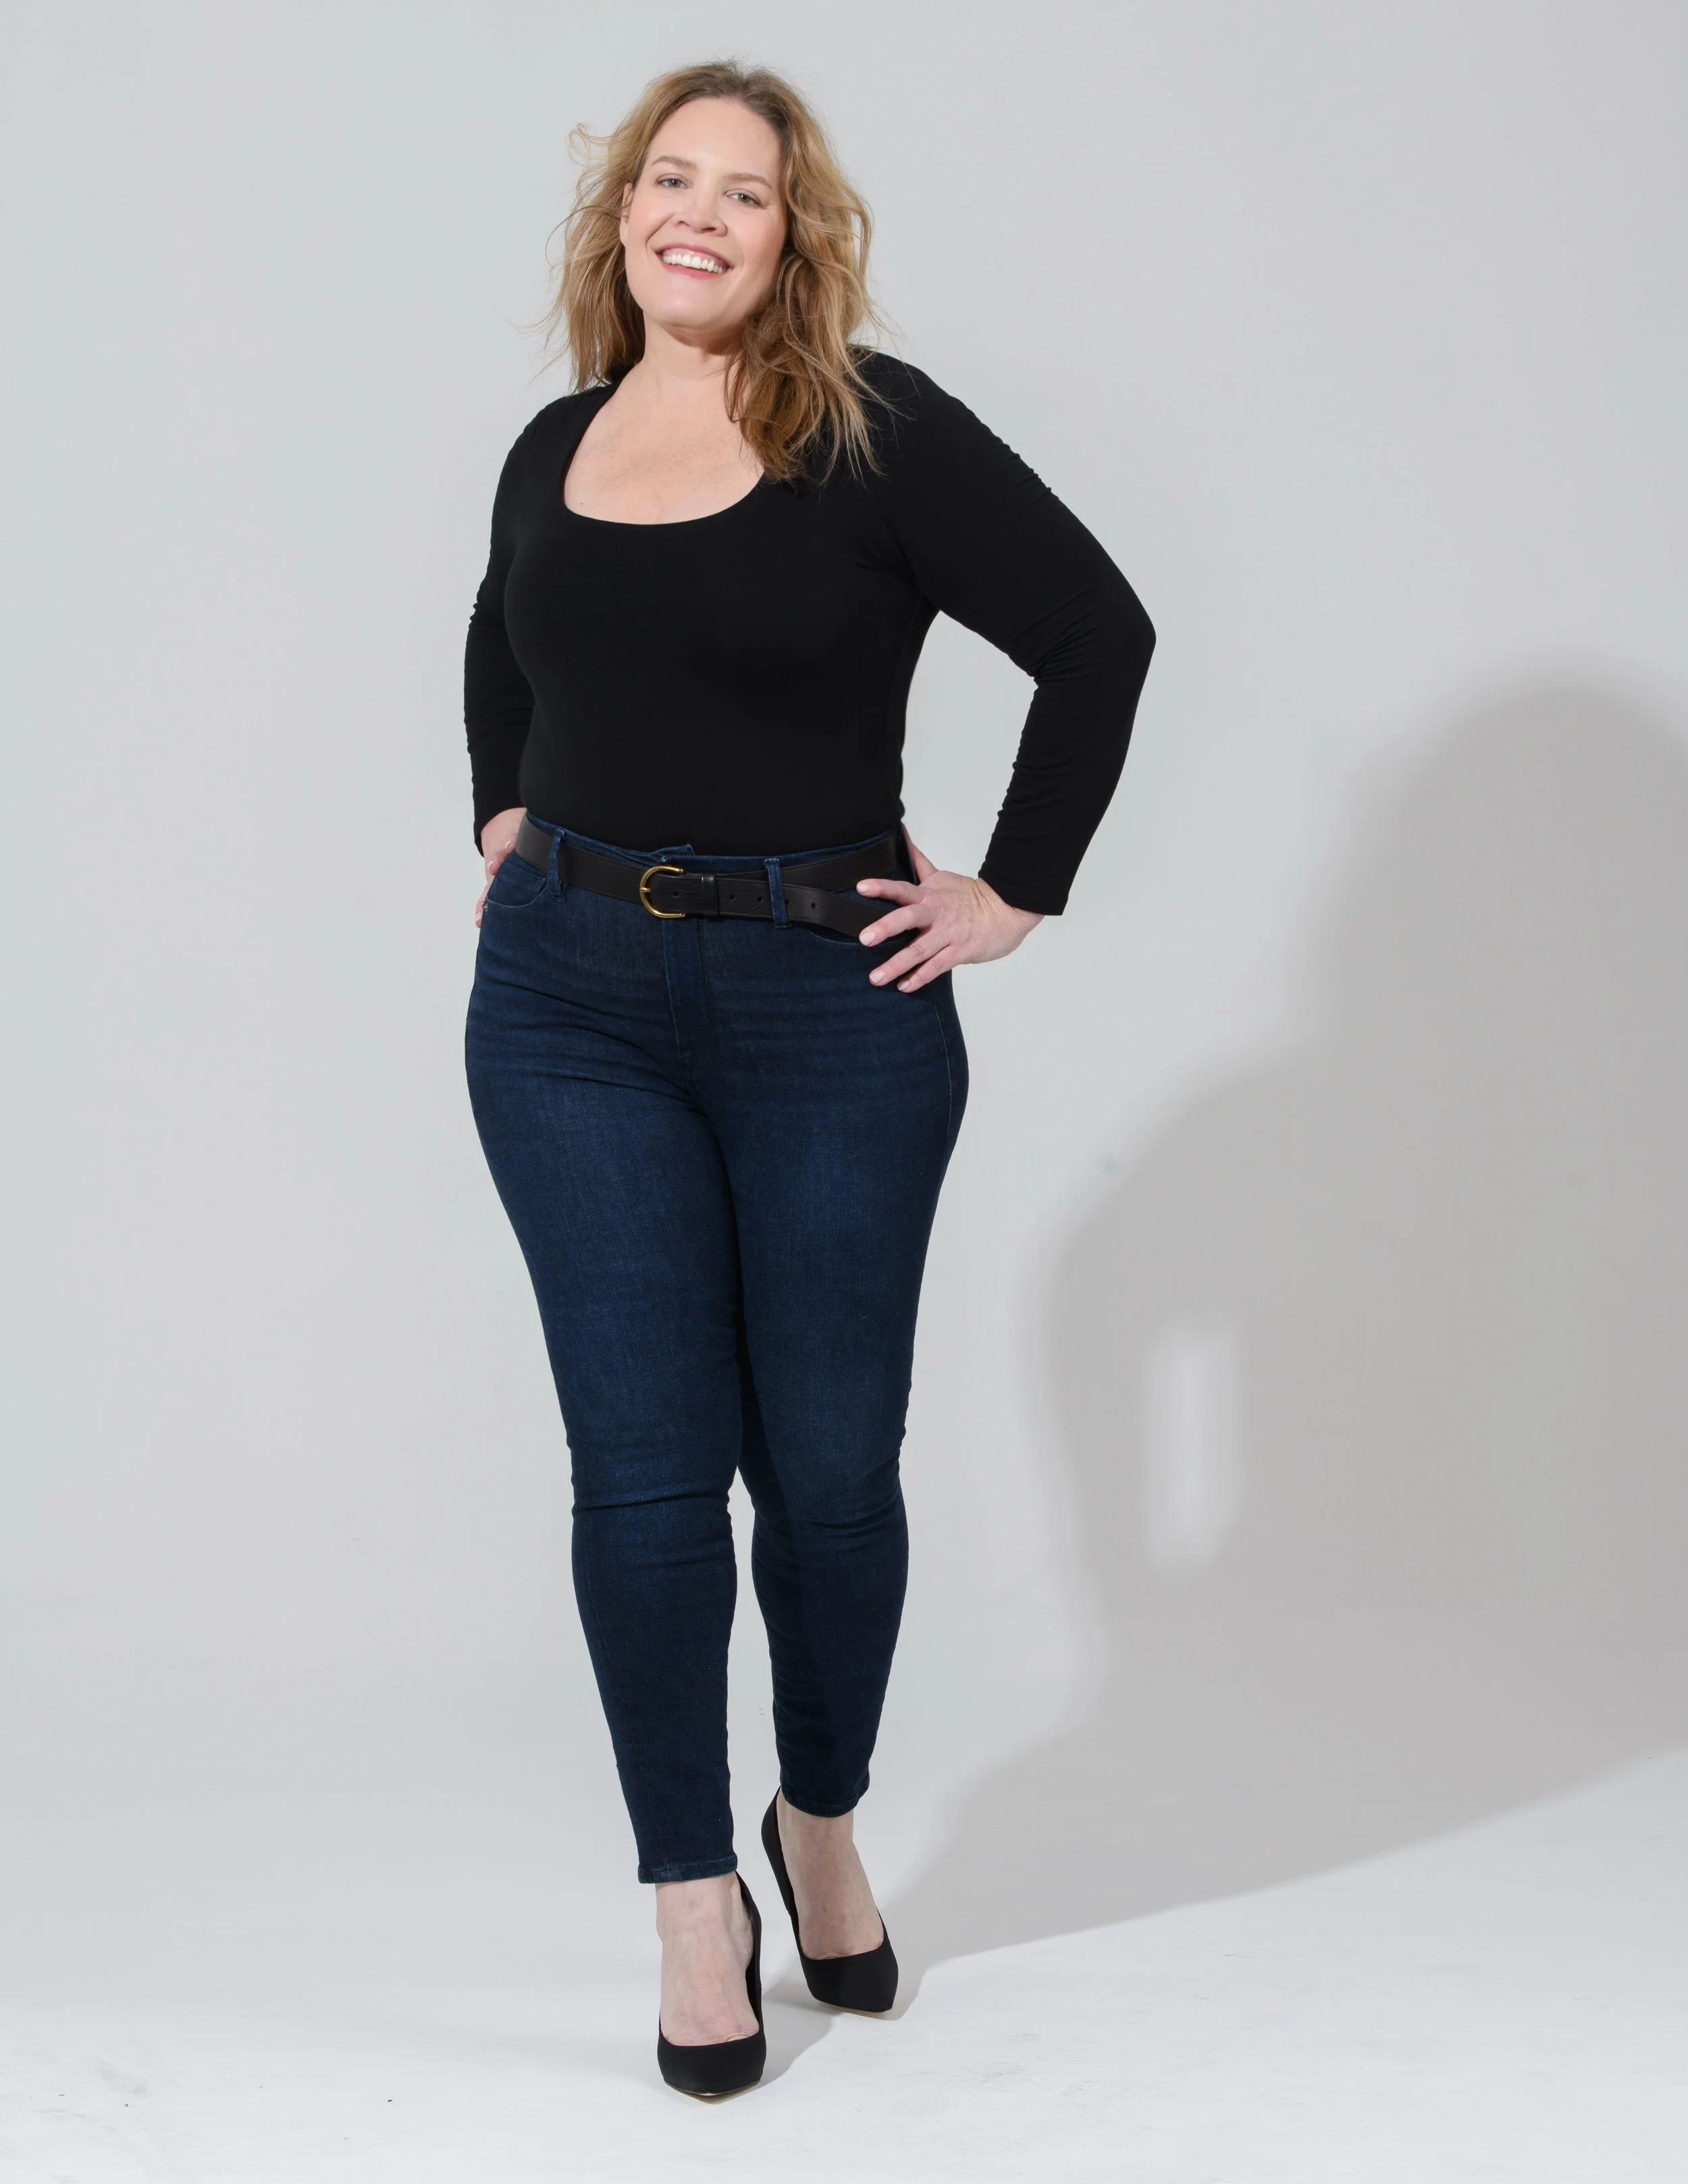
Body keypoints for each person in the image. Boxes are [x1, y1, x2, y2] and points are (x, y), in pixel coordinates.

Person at [463, 59, 1154, 2098]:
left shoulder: (873, 433)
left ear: (793, 236)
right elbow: (502, 632)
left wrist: (1014, 889)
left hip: (825, 1006)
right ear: (617, 216)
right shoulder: (554, 441)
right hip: (567, 1010)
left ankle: (818, 1824)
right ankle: (694, 1901)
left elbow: (1097, 634)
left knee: (830, 1475)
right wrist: (501, 817)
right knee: (647, 1473)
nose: (696, 213)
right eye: (664, 179)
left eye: (741, 193)